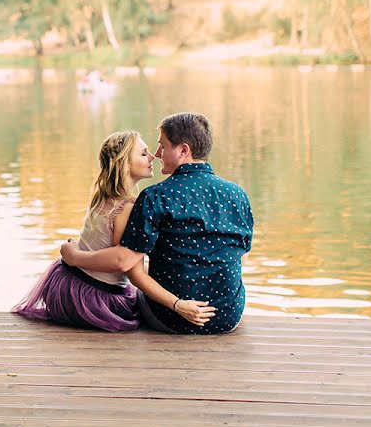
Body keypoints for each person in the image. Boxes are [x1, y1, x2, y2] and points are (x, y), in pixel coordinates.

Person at [61, 113, 254, 334]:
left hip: (171, 319)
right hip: (227, 316)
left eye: (162, 146)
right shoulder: (238, 194)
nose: (157, 154)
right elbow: (242, 257)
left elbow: (128, 265)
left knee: (136, 292)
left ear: (183, 150)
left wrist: (178, 304)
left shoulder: (155, 196)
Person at [12, 130, 213, 331]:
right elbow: (125, 265)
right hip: (94, 301)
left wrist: (74, 256)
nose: (153, 156)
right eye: (144, 154)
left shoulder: (102, 196)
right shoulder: (128, 208)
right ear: (124, 163)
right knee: (147, 300)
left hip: (66, 287)